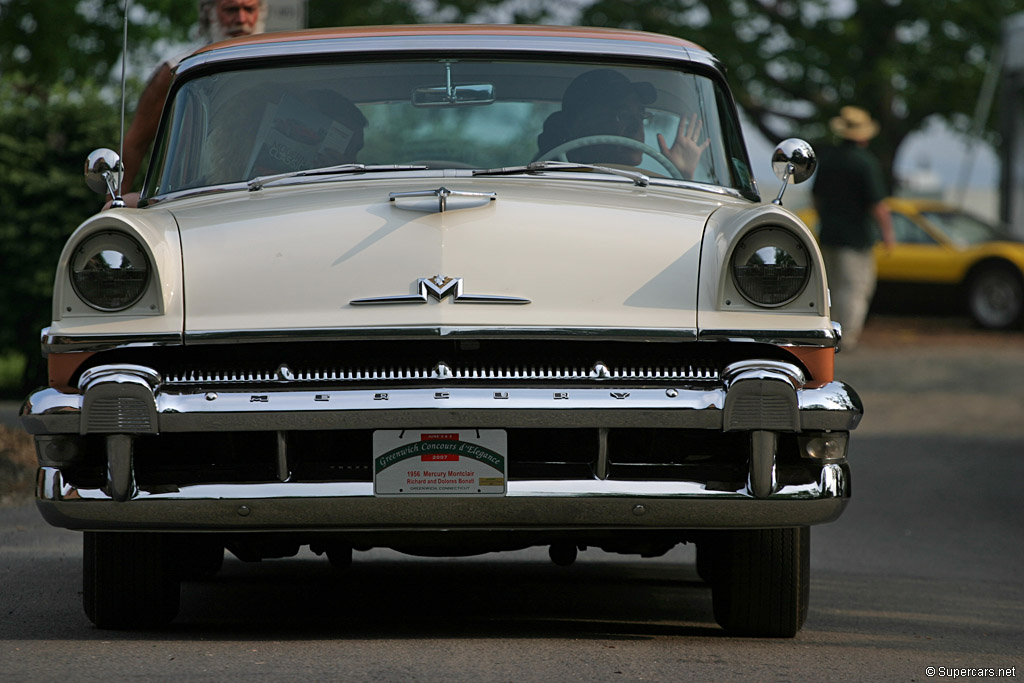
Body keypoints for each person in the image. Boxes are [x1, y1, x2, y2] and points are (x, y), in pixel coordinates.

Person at [114, 0, 266, 206]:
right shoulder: (178, 70)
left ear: (260, 12)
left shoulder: (282, 63)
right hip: (193, 199)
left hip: (272, 193)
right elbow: (134, 146)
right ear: (209, 13)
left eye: (249, 9)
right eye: (231, 10)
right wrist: (114, 209)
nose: (241, 19)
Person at [812, 105, 896, 351]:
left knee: (832, 288)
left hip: (828, 234)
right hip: (856, 238)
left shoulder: (827, 158)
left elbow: (816, 198)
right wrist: (888, 234)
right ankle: (846, 337)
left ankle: (829, 332)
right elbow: (878, 205)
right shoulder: (865, 163)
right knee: (855, 288)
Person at [536, 69, 709, 179]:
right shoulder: (541, 181)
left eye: (642, 116)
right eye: (622, 116)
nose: (637, 127)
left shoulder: (646, 190)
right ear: (579, 125)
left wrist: (683, 176)